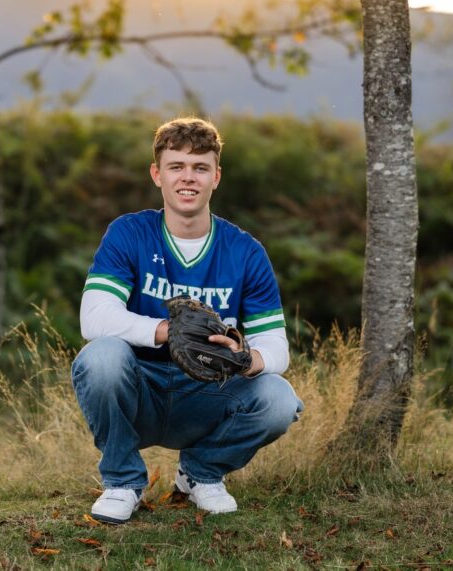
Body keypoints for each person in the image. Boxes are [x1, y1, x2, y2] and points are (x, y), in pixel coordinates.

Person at [72, 116, 304, 525]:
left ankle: (199, 474)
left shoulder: (246, 251)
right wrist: (165, 331)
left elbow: (277, 347)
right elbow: (94, 317)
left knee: (279, 400)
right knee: (101, 357)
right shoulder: (129, 233)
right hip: (139, 385)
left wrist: (244, 358)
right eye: (176, 166)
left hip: (207, 392)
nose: (188, 178)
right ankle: (123, 482)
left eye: (200, 168)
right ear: (156, 174)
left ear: (217, 177)